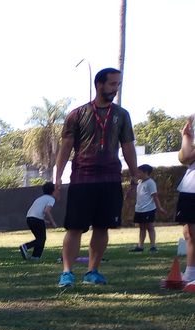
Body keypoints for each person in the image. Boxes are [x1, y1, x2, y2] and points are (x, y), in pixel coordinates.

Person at [54, 67, 138, 287]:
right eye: (112, 84)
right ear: (99, 84)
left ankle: (92, 271)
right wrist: (58, 178)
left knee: (102, 226)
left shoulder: (122, 115)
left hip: (110, 179)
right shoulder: (77, 114)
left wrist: (134, 177)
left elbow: (128, 147)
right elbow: (65, 147)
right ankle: (67, 273)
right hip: (82, 179)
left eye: (118, 84)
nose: (115, 88)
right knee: (74, 227)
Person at [131, 164, 165, 253]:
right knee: (141, 228)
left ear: (146, 172)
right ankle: (140, 246)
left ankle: (153, 246)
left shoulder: (150, 183)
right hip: (139, 209)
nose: (137, 174)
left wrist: (159, 208)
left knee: (150, 227)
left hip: (148, 209)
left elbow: (155, 196)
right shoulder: (139, 183)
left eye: (139, 172)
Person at [177, 117, 195, 284]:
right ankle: (190, 273)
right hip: (189, 189)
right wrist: (187, 137)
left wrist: (186, 137)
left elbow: (187, 155)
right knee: (188, 234)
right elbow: (183, 158)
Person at [20, 182, 57, 261]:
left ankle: (35, 257)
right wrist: (53, 222)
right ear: (53, 191)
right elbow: (46, 211)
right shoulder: (51, 199)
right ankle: (26, 246)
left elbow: (36, 213)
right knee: (41, 239)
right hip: (37, 219)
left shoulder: (39, 198)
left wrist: (48, 222)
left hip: (29, 218)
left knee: (40, 238)